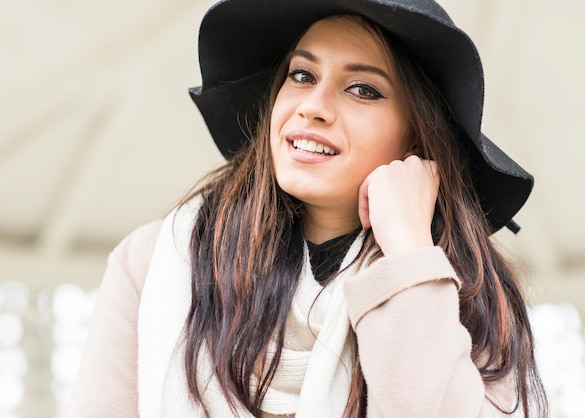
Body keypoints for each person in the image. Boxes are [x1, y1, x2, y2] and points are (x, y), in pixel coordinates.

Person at [67, 0, 549, 417]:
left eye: (363, 89)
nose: (313, 105)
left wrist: (408, 253)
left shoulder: (469, 295)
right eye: (301, 75)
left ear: (419, 136)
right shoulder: (152, 265)